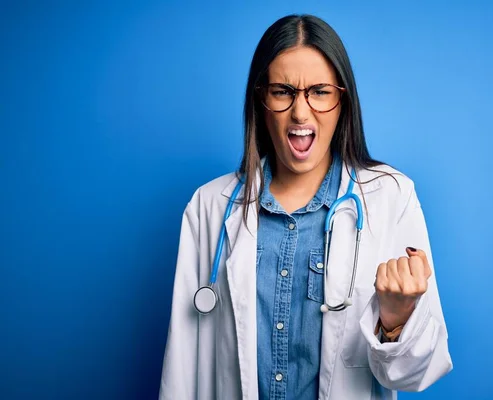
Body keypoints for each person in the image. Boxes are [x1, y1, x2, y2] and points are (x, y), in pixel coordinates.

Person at [158, 14, 452, 400]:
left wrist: (396, 322)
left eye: (319, 92)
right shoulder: (210, 207)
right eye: (282, 91)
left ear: (342, 101)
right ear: (260, 100)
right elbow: (182, 367)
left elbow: (418, 373)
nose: (301, 112)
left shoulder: (391, 197)